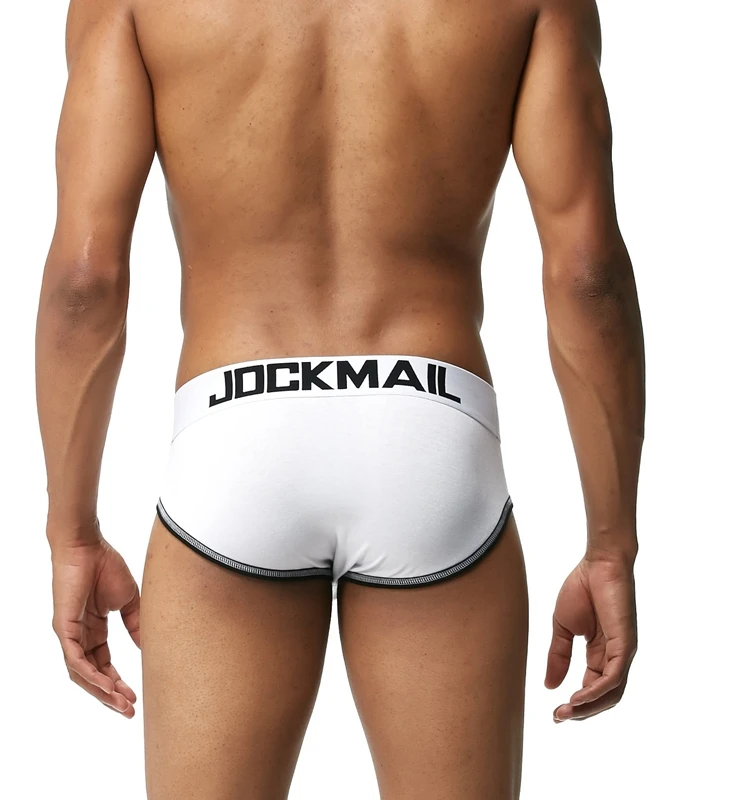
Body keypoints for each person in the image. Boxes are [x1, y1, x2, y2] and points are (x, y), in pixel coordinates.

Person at [35, 0, 645, 796]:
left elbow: (85, 282)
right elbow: (588, 274)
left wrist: (72, 535)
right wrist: (611, 545)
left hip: (236, 428)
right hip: (428, 425)